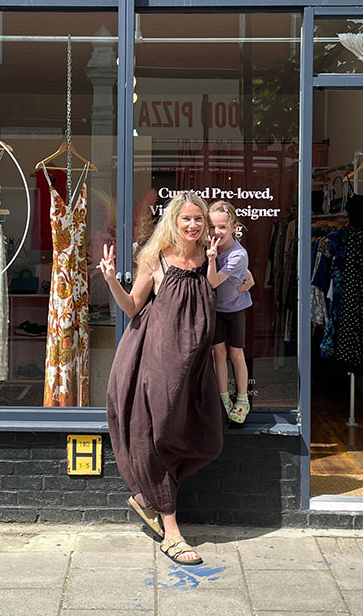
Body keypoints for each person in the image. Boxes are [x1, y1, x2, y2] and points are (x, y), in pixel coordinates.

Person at [99, 191, 244, 567]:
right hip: (159, 360)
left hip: (196, 366)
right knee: (159, 433)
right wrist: (112, 281)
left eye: (200, 220)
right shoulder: (155, 258)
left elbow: (236, 283)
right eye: (187, 220)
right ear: (174, 221)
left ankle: (147, 498)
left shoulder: (208, 258)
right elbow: (132, 306)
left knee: (209, 438)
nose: (194, 226)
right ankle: (172, 529)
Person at [207, 200, 253, 424]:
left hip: (235, 309)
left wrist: (212, 259)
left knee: (236, 353)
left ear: (234, 227)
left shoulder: (238, 254)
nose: (217, 232)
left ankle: (243, 399)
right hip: (215, 310)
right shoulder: (207, 247)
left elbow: (213, 282)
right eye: (212, 227)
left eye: (222, 227)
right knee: (218, 353)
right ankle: (223, 396)